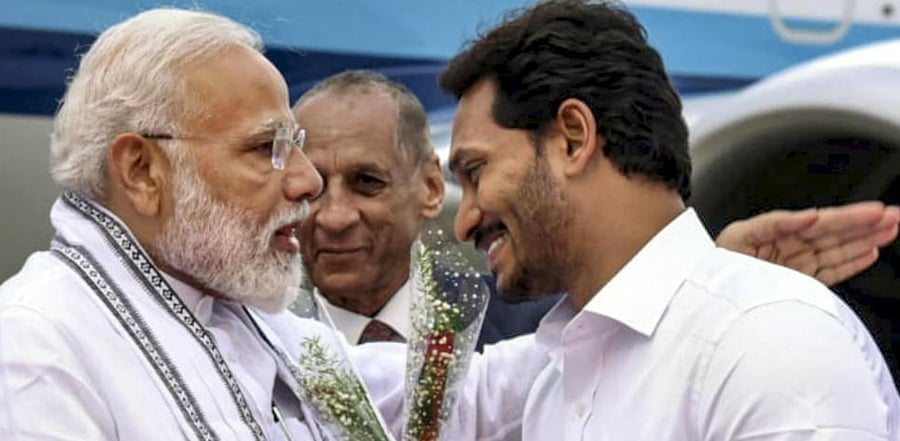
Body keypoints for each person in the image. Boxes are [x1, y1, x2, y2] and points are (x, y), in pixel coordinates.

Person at [0, 9, 539, 440]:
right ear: (142, 171)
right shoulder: (35, 349)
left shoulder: (245, 321)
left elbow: (451, 403)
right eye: (267, 149)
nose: (307, 182)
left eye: (294, 149)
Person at [438, 0, 900, 439]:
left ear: (574, 140)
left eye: (476, 172)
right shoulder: (556, 377)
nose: (465, 221)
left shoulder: (771, 340)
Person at [293, 69, 900, 350]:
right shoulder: (249, 340)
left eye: (367, 183)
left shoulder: (544, 322)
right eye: (314, 188)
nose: (334, 215)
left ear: (429, 188)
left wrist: (705, 289)